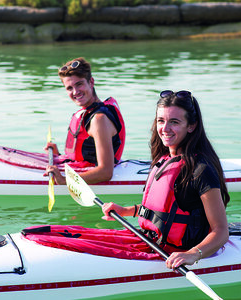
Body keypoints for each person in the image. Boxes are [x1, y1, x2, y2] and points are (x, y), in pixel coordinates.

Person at [102, 90, 229, 270]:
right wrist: (124, 211)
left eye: (174, 122)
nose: (165, 128)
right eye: (161, 121)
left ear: (191, 126)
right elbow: (157, 213)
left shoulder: (201, 170)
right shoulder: (163, 159)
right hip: (150, 242)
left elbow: (221, 231)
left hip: (178, 254)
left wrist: (193, 254)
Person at [44, 57, 126, 185]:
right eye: (69, 88)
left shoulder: (99, 119)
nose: (75, 92)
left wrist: (65, 181)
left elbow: (106, 172)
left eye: (79, 84)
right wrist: (58, 155)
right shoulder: (89, 112)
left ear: (91, 82)